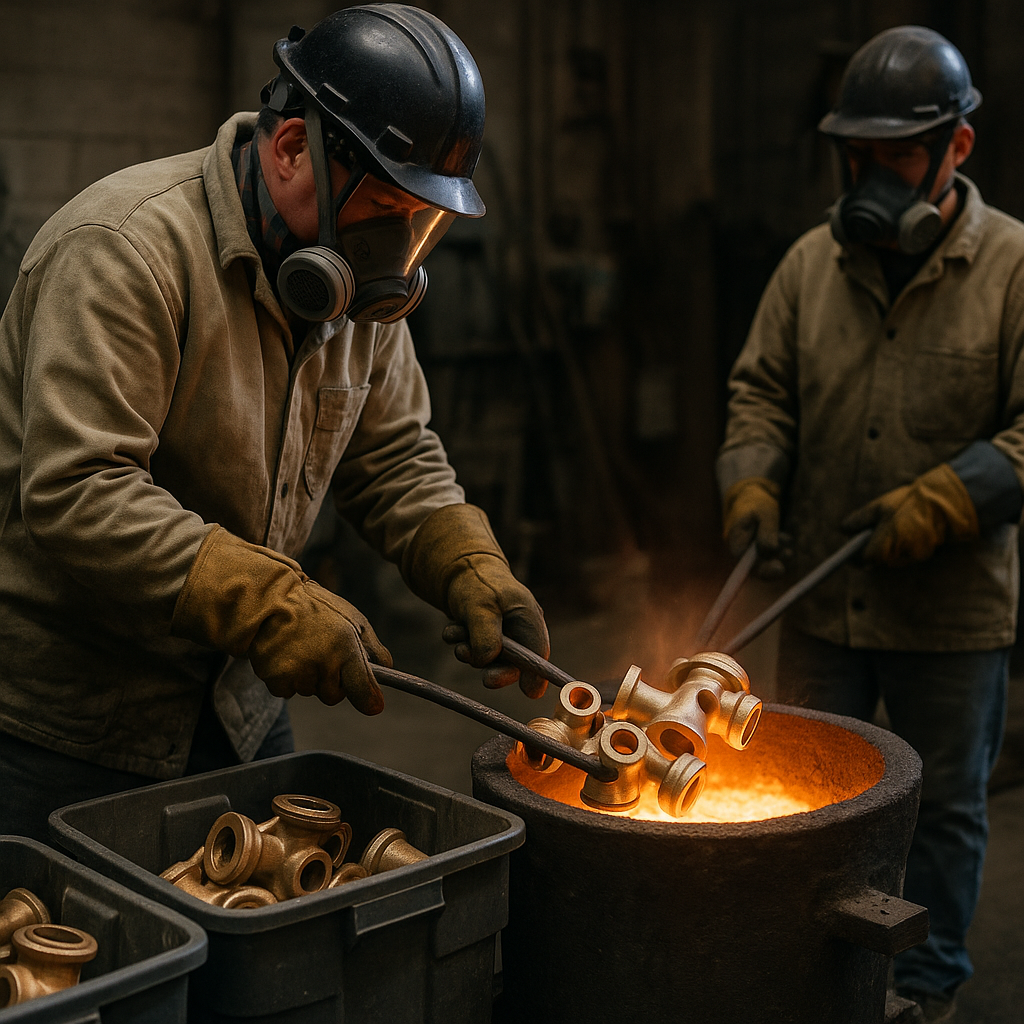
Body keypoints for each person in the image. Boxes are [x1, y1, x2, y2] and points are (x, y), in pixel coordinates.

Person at [0, 4, 549, 844]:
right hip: (73, 723)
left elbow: (394, 452)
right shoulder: (124, 249)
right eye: (386, 206)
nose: (399, 246)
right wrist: (271, 603)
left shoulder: (359, 297)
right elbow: (78, 492)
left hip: (238, 704)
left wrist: (465, 560)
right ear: (293, 149)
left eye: (423, 220)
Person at [717, 25, 1024, 1024]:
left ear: (955, 148)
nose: (873, 176)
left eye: (897, 156)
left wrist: (946, 497)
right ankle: (817, 978)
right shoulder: (812, 263)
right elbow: (760, 391)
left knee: (942, 812)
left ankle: (922, 991)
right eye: (859, 156)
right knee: (808, 796)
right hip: (824, 598)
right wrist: (753, 483)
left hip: (949, 613)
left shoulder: (1014, 266)